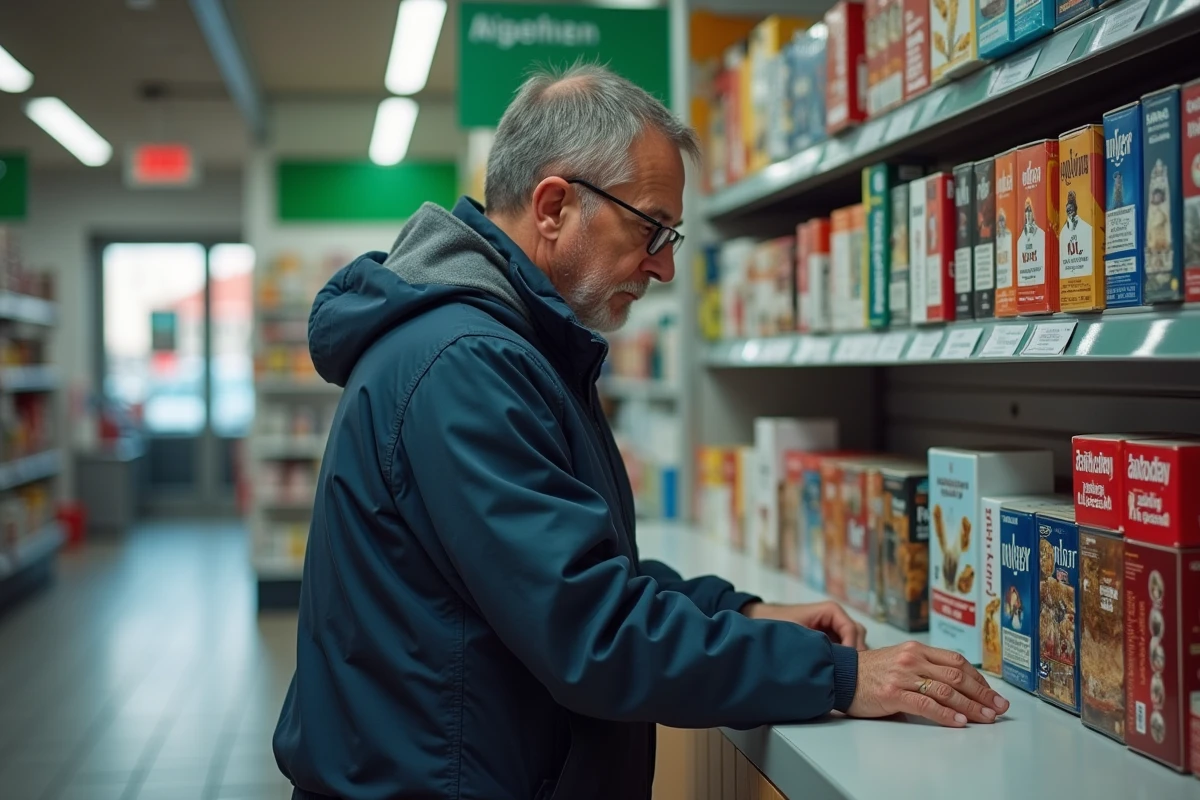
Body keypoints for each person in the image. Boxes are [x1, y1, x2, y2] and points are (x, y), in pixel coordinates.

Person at [273, 64, 1008, 800]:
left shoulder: (504, 345)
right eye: (652, 227)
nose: (664, 267)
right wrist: (839, 676)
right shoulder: (467, 364)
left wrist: (741, 611)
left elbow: (566, 573)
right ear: (554, 207)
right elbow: (589, 633)